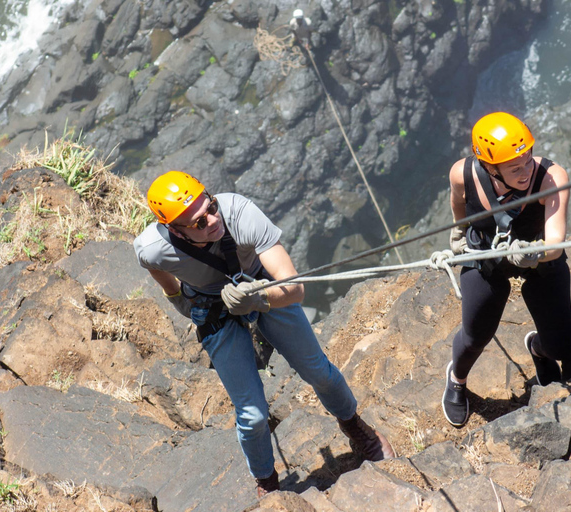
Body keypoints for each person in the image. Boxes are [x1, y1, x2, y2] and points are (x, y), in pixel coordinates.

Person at [134, 171, 395, 497]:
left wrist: (258, 298)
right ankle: (266, 481)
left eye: (211, 207)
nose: (212, 220)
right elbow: (153, 265)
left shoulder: (239, 213)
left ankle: (356, 428)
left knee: (319, 372)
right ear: (175, 230)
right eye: (199, 223)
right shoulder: (153, 247)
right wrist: (177, 297)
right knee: (252, 415)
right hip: (213, 306)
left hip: (261, 285)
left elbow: (295, 287)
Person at [442, 112, 571, 428]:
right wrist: (460, 232)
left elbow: (554, 243)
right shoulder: (463, 173)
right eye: (515, 168)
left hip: (534, 253)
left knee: (561, 347)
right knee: (476, 336)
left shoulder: (552, 177)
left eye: (528, 160)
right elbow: (458, 203)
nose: (526, 170)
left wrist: (533, 252)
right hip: (486, 251)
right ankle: (457, 379)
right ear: (490, 168)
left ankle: (539, 349)